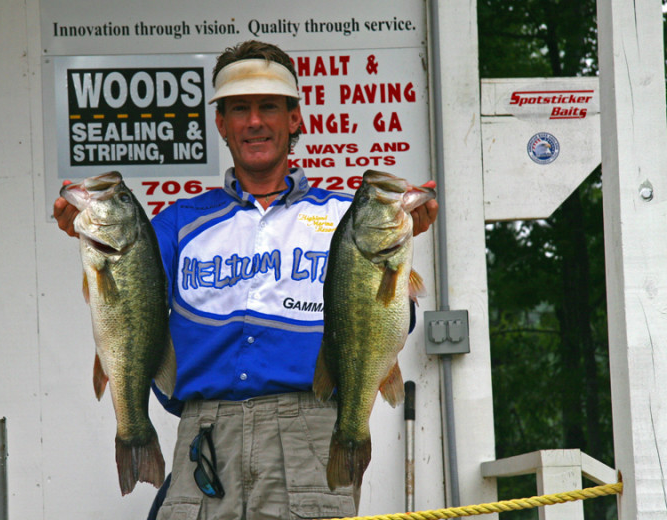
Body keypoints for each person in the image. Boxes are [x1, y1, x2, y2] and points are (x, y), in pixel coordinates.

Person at [54, 40, 438, 520]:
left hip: (311, 432)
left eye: (268, 107)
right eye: (239, 109)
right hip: (204, 433)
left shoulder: (349, 217)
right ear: (221, 123)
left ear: (295, 118)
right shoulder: (176, 224)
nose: (254, 121)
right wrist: (83, 230)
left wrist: (399, 258)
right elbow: (128, 300)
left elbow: (393, 325)